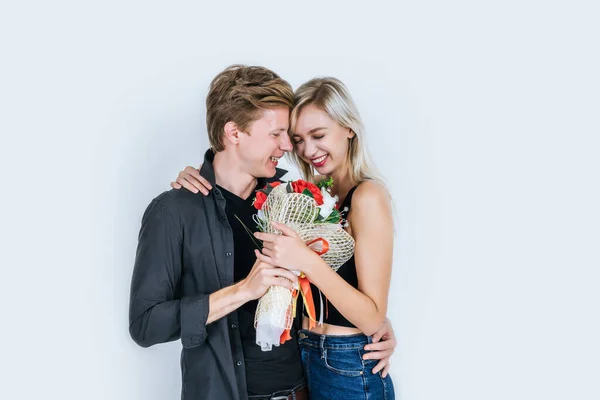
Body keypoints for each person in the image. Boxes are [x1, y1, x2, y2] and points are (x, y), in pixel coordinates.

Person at [130, 65, 396, 400]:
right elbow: (145, 325)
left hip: (309, 388)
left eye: (292, 135)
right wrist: (243, 290)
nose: (290, 147)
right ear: (234, 133)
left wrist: (370, 331)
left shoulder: (290, 200)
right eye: (278, 134)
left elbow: (338, 291)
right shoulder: (176, 210)